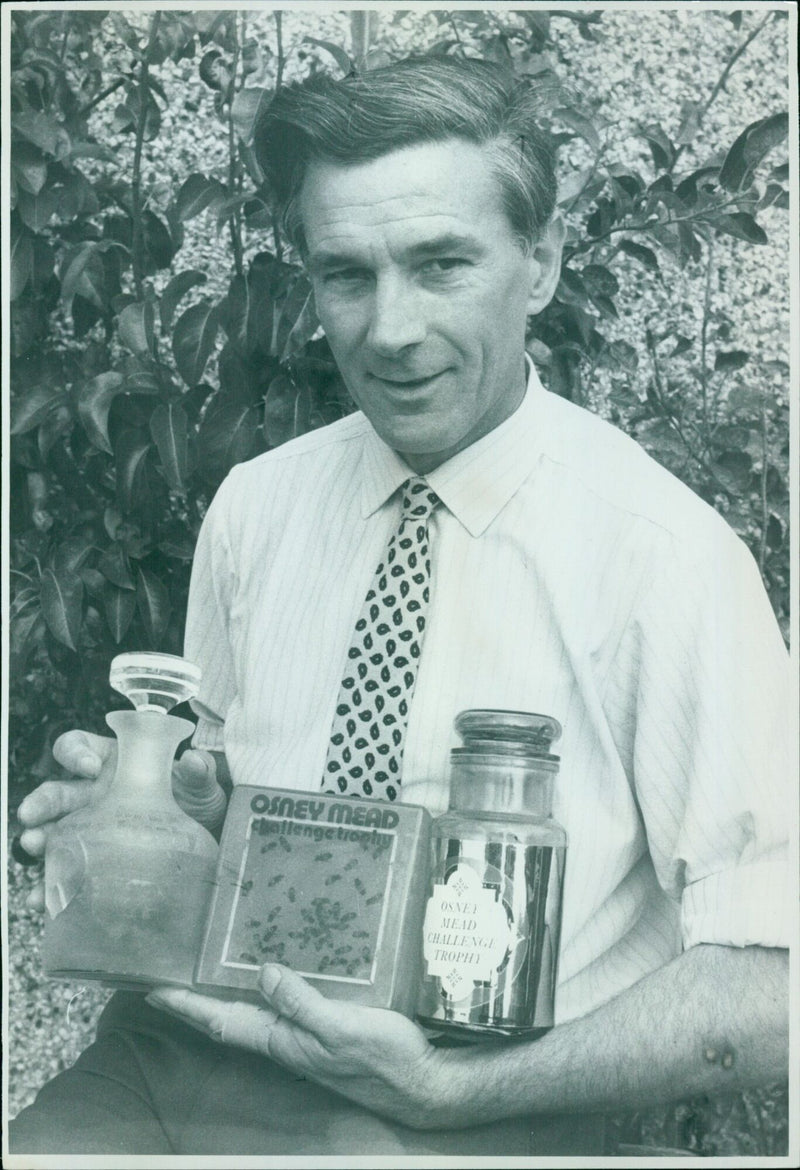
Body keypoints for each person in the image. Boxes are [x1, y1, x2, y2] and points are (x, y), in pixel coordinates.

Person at [10, 57, 790, 1158]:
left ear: (543, 264)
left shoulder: (666, 561)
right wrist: (147, 803)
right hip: (178, 1059)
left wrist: (454, 1095)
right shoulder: (258, 502)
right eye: (345, 275)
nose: (387, 330)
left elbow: (773, 989)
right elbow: (224, 800)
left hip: (480, 1096)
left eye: (439, 265)